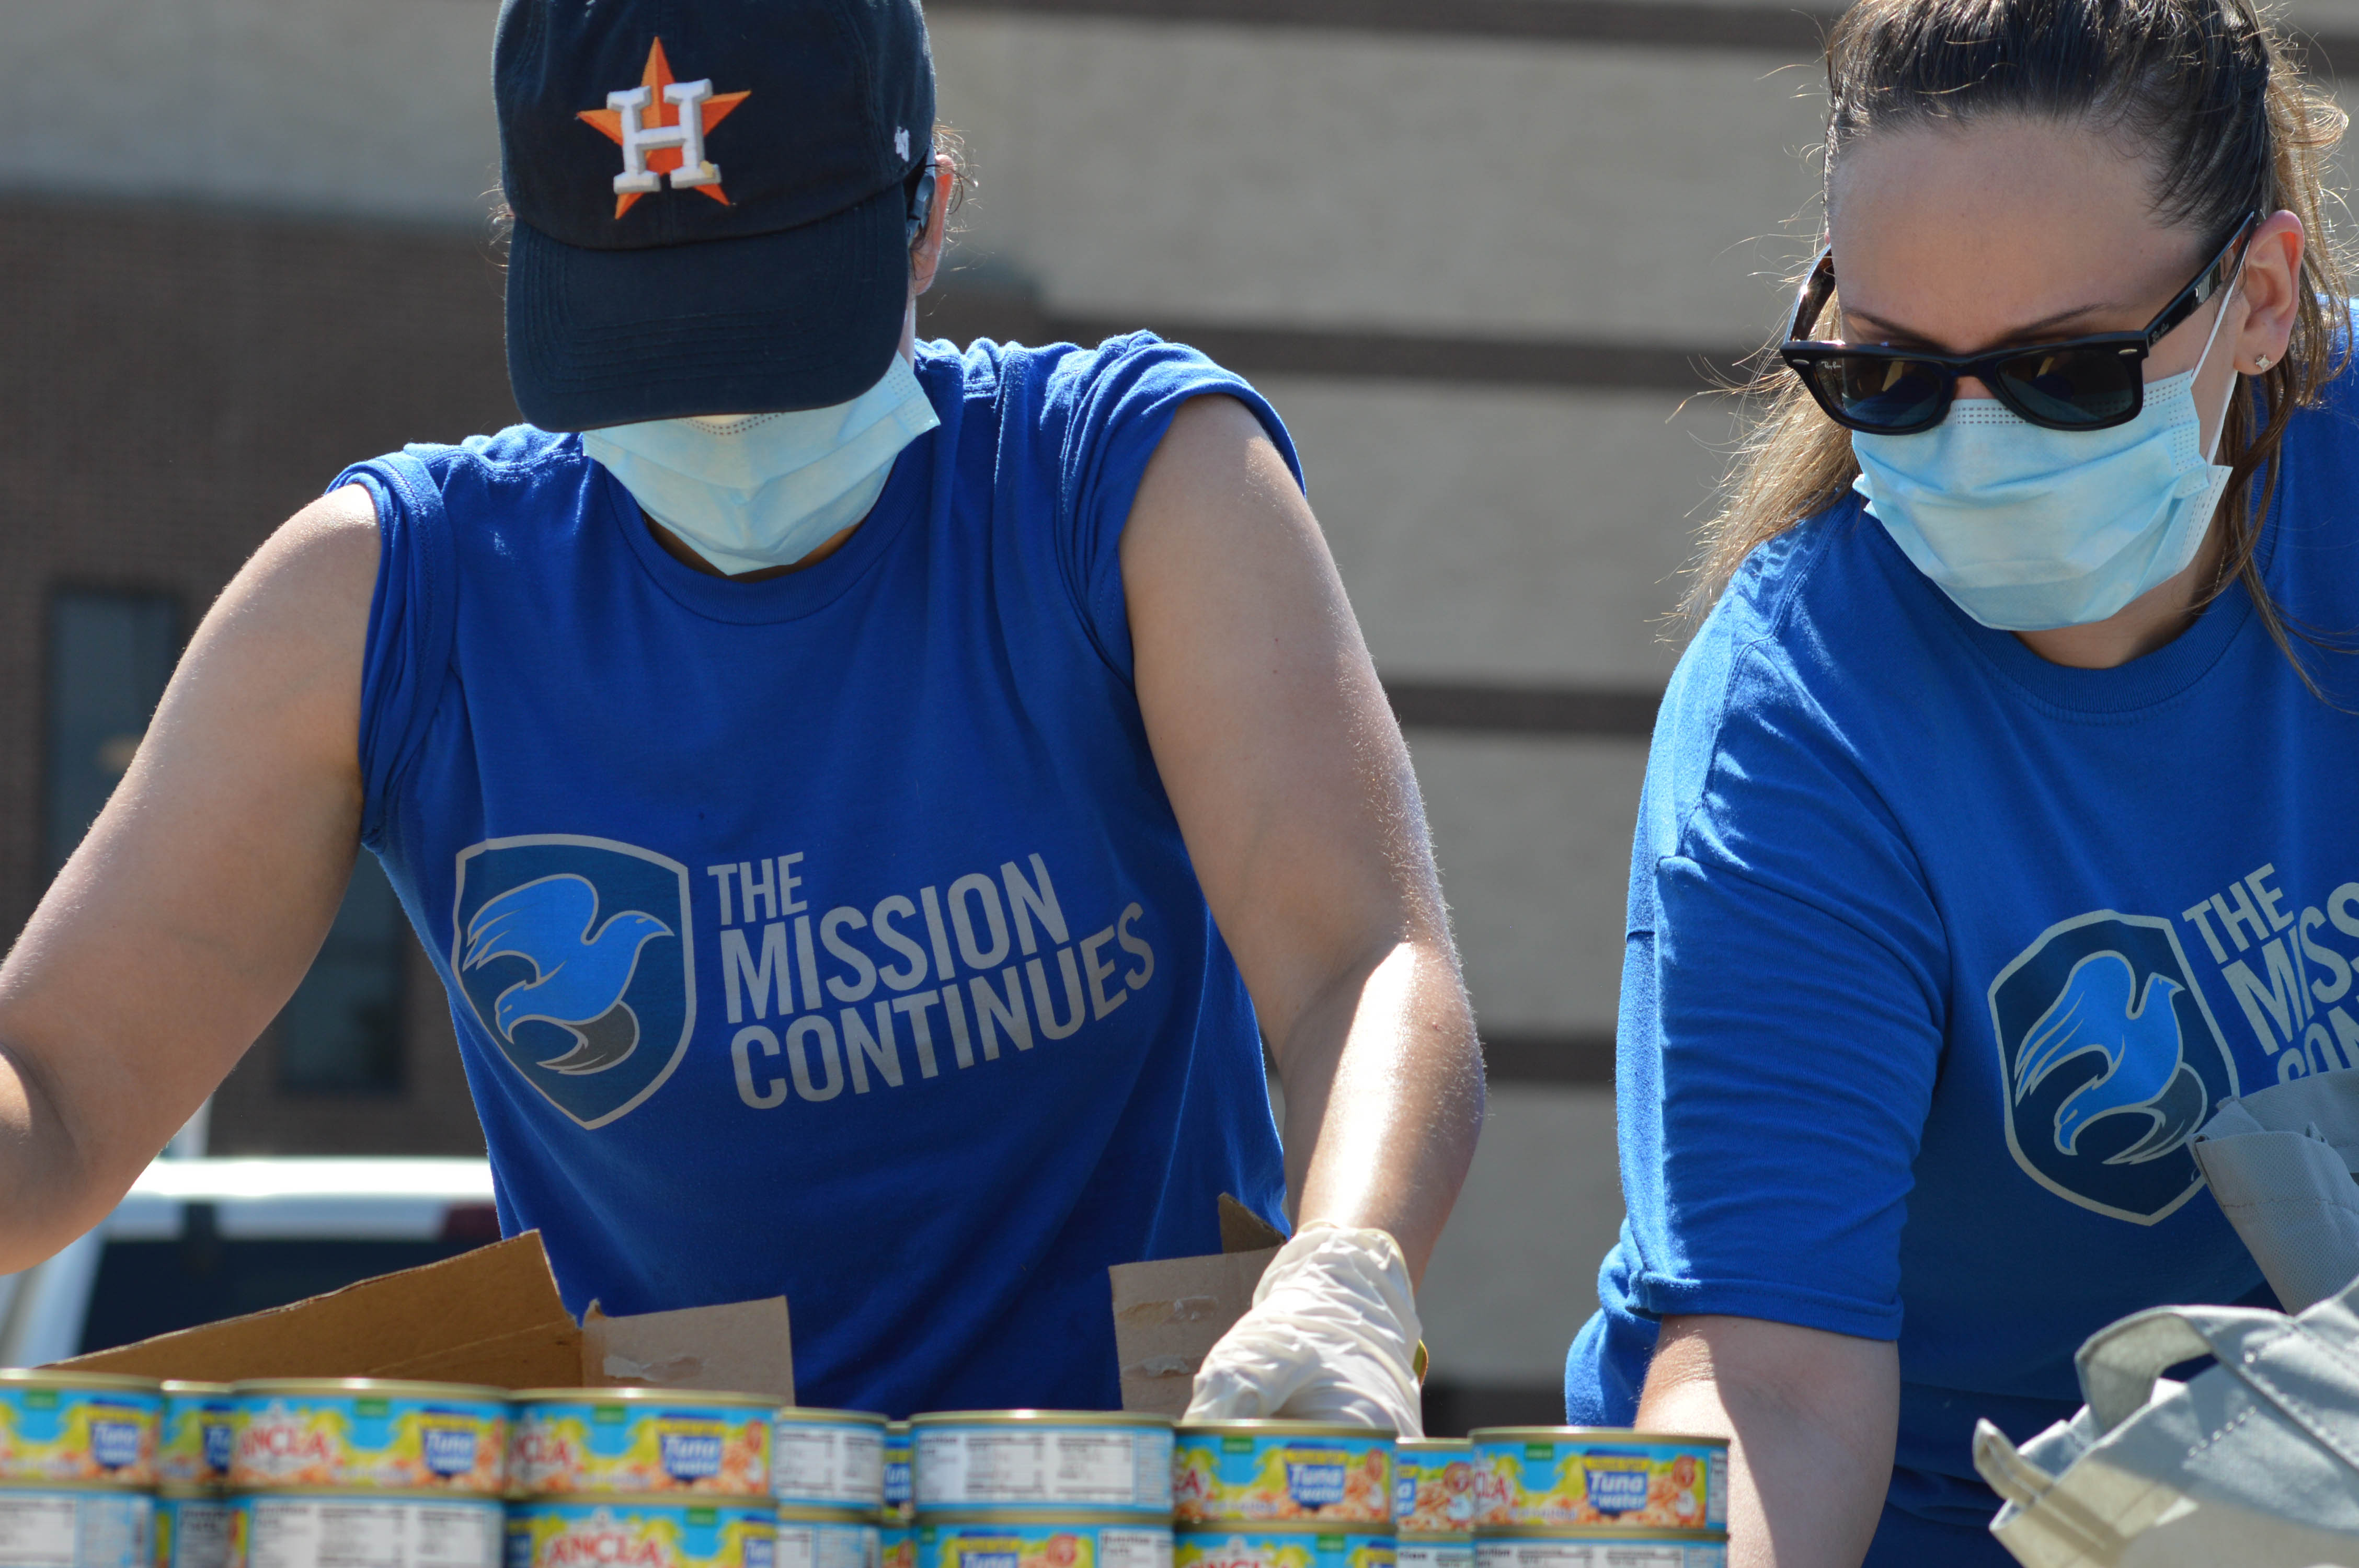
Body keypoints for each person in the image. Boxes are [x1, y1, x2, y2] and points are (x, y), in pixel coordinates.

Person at [0, 0, 1484, 1426]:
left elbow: (1360, 962)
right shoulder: (402, 600)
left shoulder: (1128, 488)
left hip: (1147, 1488)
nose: (721, 418)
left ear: (930, 218)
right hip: (688, 1518)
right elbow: (58, 1084)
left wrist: (1347, 1272)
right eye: (654, 346)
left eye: (771, 329)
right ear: (527, 257)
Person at [1562, 0, 2359, 1562]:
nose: (1975, 449)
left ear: (2261, 298)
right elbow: (1776, 1389)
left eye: (2067, 372)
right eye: (1895, 376)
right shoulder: (1799, 721)